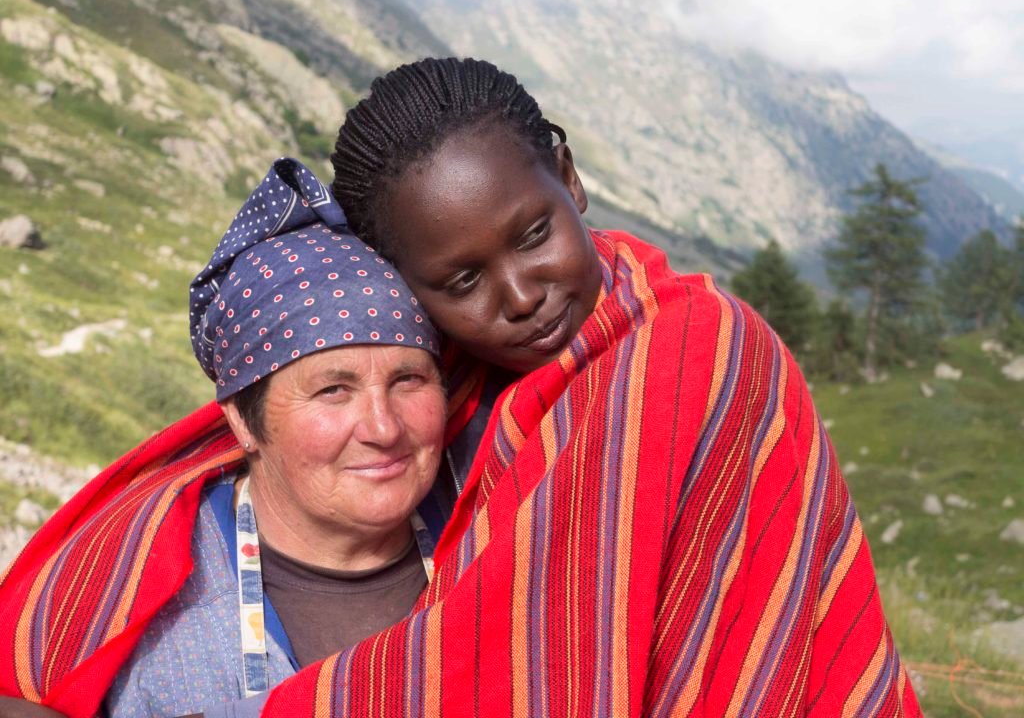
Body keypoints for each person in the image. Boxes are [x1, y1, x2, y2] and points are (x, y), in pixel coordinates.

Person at [1, 57, 922, 717]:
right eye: (461, 282)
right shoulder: (465, 388)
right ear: (413, 289)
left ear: (569, 180)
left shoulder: (702, 354)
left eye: (531, 235)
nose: (522, 297)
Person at [0, 160, 450, 718]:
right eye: (333, 390)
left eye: (410, 380)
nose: (384, 428)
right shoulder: (138, 618)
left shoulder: (502, 541)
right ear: (242, 419)